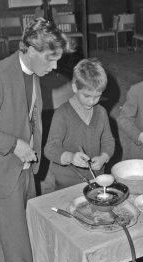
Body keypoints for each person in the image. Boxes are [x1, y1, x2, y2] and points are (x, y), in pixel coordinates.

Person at [0, 18, 71, 262]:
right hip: (2, 172)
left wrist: (29, 147)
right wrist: (14, 144)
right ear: (32, 49)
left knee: (27, 233)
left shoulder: (32, 70)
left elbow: (29, 116)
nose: (55, 67)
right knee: (16, 240)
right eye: (51, 58)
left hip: (24, 165)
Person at [44, 58, 115, 190]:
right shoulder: (62, 114)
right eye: (87, 96)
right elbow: (50, 149)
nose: (92, 101)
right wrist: (70, 157)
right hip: (67, 183)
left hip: (96, 179)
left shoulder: (101, 112)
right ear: (75, 87)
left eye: (97, 96)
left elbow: (108, 140)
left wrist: (104, 157)